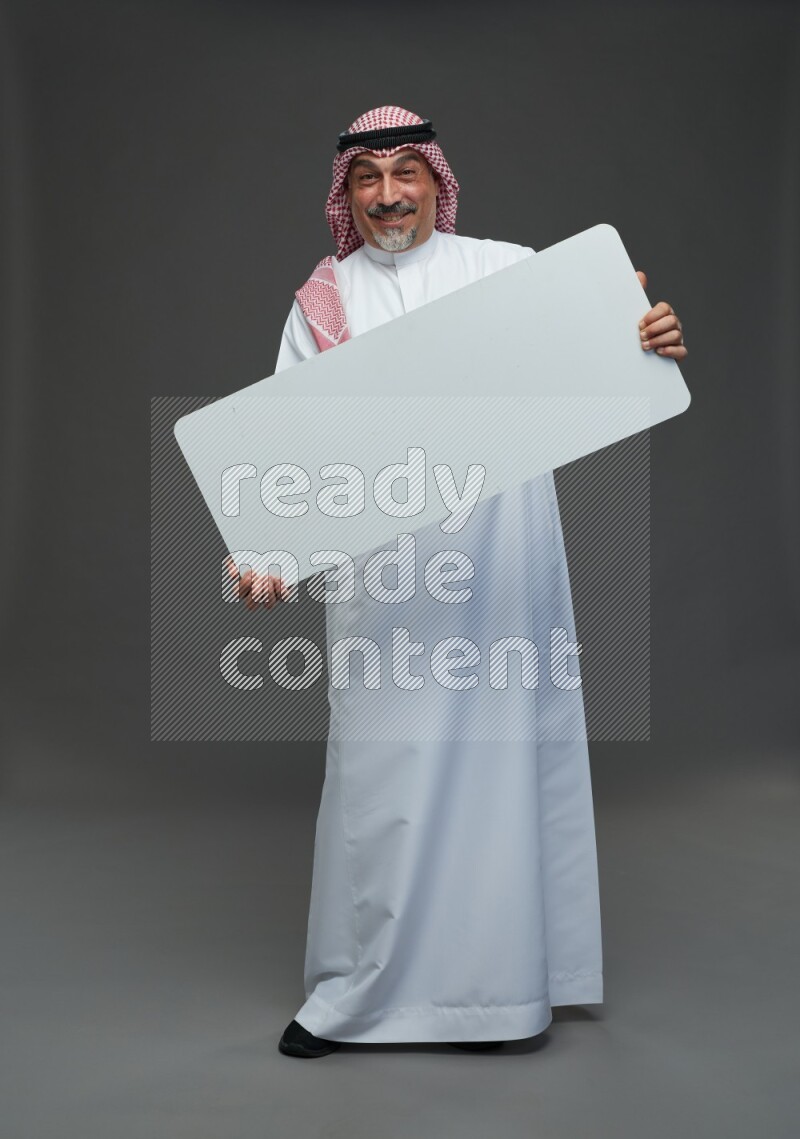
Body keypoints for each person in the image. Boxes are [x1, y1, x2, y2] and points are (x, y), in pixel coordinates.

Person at [231, 106, 687, 1059]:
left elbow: (602, 364)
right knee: (382, 782)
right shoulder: (325, 299)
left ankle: (500, 998)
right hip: (388, 576)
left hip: (505, 558)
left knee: (500, 772)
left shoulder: (508, 266)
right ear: (346, 194)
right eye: (369, 177)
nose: (390, 193)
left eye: (407, 173)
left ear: (438, 180)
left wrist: (645, 335)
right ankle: (359, 994)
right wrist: (265, 551)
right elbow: (288, 444)